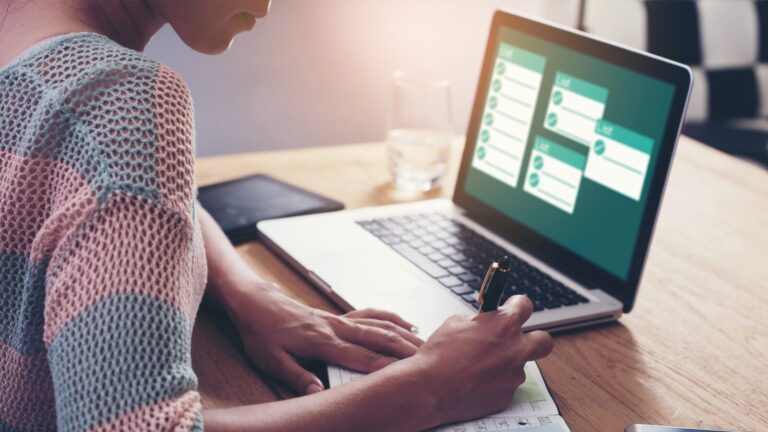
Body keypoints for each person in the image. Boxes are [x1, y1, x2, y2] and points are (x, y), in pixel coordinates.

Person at [0, 1, 554, 431]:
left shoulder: (37, 57)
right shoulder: (120, 103)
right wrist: (429, 387)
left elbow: (111, 192)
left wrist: (246, 292)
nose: (267, 7)